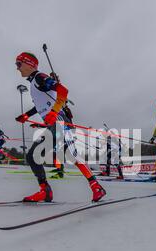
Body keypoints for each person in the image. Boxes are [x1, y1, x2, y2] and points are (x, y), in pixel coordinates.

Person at [14, 52, 106, 202]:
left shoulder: (39, 77)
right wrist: (26, 115)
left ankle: (45, 191)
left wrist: (54, 112)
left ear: (30, 64)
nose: (17, 68)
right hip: (56, 122)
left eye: (19, 64)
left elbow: (63, 91)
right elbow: (41, 105)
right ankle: (95, 186)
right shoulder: (34, 83)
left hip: (59, 122)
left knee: (33, 155)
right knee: (70, 154)